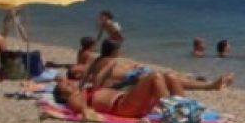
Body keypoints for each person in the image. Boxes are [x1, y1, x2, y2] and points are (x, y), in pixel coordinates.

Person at [84, 39, 232, 92]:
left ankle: (204, 82)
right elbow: (98, 77)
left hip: (135, 78)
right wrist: (96, 91)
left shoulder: (97, 60)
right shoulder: (110, 61)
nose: (121, 51)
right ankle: (209, 86)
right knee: (169, 79)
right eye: (119, 49)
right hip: (134, 81)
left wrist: (81, 89)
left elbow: (87, 77)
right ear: (114, 50)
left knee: (172, 77)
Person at [52, 72, 174, 120]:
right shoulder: (74, 98)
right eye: (67, 85)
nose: (70, 83)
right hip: (123, 106)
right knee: (155, 76)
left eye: (69, 82)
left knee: (170, 76)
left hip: (130, 100)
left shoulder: (83, 91)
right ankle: (173, 113)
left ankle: (186, 109)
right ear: (63, 95)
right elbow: (82, 109)